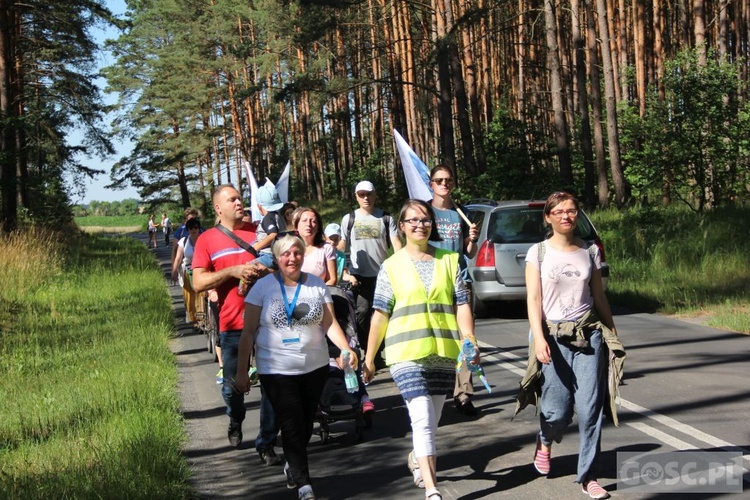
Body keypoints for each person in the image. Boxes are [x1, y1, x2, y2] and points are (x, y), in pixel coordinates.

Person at [362, 199, 478, 500]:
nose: (419, 225)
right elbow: (380, 314)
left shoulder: (450, 260)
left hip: (443, 349)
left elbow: (462, 303)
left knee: (433, 419)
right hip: (405, 351)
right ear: (401, 226)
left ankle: (417, 458)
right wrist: (370, 357)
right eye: (412, 220)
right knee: (423, 418)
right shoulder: (391, 266)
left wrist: (469, 338)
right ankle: (431, 488)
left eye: (425, 220)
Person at [517, 191, 625, 500]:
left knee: (591, 409)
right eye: (560, 211)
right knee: (557, 411)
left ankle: (588, 477)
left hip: (589, 336)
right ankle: (545, 439)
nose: (567, 216)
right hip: (552, 337)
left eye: (572, 210)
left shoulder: (589, 251)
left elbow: (599, 296)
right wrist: (538, 338)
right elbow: (534, 300)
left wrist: (613, 335)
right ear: (548, 217)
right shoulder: (537, 253)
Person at [233, 233, 358, 500]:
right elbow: (248, 332)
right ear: (276, 258)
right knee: (290, 422)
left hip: (314, 366)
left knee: (303, 424)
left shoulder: (316, 285)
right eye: (285, 254)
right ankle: (304, 484)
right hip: (276, 368)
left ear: (303, 255)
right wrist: (241, 371)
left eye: (297, 253)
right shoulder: (263, 288)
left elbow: (329, 323)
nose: (292, 258)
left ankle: (293, 463)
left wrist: (346, 348)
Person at [191, 184, 282, 466]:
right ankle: (235, 417)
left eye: (240, 198)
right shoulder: (207, 240)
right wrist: (231, 271)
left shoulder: (259, 231)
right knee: (233, 386)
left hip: (269, 320)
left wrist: (262, 271)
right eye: (233, 199)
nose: (240, 202)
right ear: (219, 207)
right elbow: (197, 282)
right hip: (232, 321)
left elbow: (283, 264)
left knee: (273, 383)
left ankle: (266, 441)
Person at [428, 165, 480, 417]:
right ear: (431, 184)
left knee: (466, 339)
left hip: (460, 281)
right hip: (433, 284)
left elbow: (469, 253)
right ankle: (435, 389)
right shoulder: (425, 213)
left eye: (448, 180)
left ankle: (464, 394)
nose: (444, 184)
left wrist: (473, 238)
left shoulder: (462, 213)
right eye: (439, 180)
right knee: (436, 339)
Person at [340, 180, 402, 365]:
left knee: (382, 314)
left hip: (383, 275)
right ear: (356, 197)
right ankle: (366, 351)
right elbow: (342, 246)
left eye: (369, 194)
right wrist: (342, 271)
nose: (365, 198)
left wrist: (403, 265)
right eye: (361, 194)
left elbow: (397, 243)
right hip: (358, 276)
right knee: (362, 313)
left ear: (375, 195)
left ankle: (376, 354)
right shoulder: (349, 219)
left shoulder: (386, 218)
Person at [293, 207, 338, 286]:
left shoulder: (326, 249)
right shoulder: (289, 249)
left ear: (318, 228)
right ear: (297, 227)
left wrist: (317, 294)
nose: (308, 224)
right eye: (304, 221)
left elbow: (332, 279)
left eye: (313, 221)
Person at [171, 217, 202, 323]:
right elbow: (178, 258)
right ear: (187, 230)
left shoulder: (204, 240)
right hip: (187, 271)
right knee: (189, 297)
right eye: (191, 228)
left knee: (201, 295)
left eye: (196, 227)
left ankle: (200, 318)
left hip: (201, 270)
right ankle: (192, 317)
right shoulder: (183, 242)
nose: (193, 230)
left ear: (199, 229)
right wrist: (174, 271)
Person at [253, 184, 297, 254]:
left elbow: (273, 234)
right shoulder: (279, 216)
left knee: (251, 264)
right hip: (280, 251)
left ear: (259, 206)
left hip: (268, 254)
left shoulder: (268, 218)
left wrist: (257, 246)